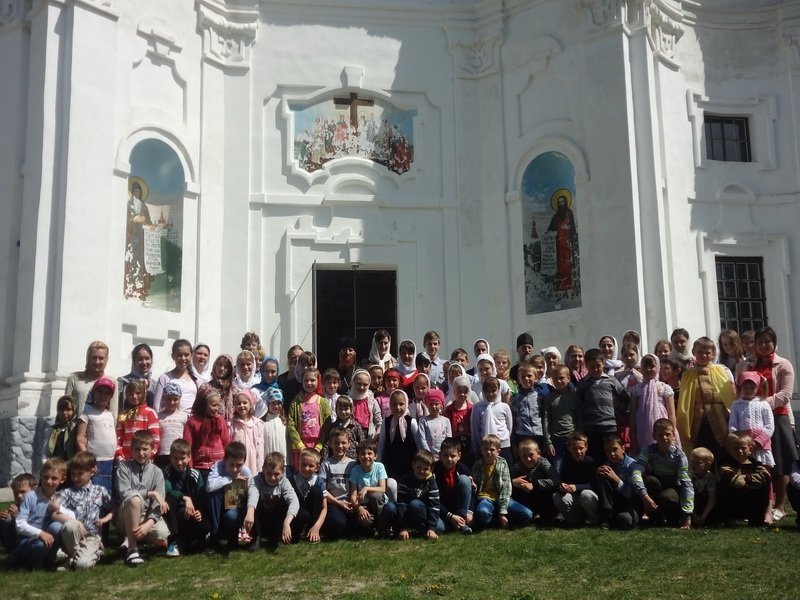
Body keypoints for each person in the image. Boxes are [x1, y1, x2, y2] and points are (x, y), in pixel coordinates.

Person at [745, 326, 797, 522]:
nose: (764, 345)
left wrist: (763, 403)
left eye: (768, 342)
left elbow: (785, 394)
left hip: (777, 416)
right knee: (760, 461)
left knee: (780, 462)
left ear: (774, 343)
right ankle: (764, 503)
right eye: (760, 342)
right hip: (754, 418)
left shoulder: (783, 364)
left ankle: (780, 505)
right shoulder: (751, 365)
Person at [49, 450, 113, 570]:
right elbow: (53, 513)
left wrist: (105, 519)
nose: (76, 477)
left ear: (92, 472)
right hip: (73, 537)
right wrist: (76, 522)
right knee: (70, 525)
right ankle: (73, 557)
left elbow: (114, 508)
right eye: (73, 474)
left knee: (82, 565)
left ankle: (85, 556)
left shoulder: (100, 491)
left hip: (91, 536)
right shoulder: (67, 493)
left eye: (80, 474)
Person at [115, 430, 170, 566]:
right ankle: (132, 549)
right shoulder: (124, 468)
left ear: (152, 449)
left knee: (162, 534)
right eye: (137, 449)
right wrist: (150, 493)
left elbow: (159, 502)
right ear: (131, 450)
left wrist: (148, 524)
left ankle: (132, 539)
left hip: (146, 516)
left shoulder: (157, 472)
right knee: (134, 499)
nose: (141, 453)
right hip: (126, 514)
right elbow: (125, 494)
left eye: (145, 449)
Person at [677, 337, 736, 458]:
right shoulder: (688, 375)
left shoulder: (722, 371)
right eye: (700, 352)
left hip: (720, 419)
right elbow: (685, 401)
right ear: (693, 352)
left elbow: (729, 396)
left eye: (707, 353)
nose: (704, 355)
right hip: (698, 421)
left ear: (713, 354)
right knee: (700, 451)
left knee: (721, 451)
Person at [631, 419, 693, 529]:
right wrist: (644, 496)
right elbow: (636, 472)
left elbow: (686, 484)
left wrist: (687, 515)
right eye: (660, 435)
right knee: (650, 481)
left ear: (674, 436)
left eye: (667, 434)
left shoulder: (680, 456)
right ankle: (650, 513)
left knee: (668, 497)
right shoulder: (648, 451)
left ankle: (667, 516)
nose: (664, 437)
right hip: (655, 486)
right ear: (654, 436)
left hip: (671, 488)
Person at [9, 458, 67, 570]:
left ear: (63, 479)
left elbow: (72, 517)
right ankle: (30, 563)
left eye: (54, 478)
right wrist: (40, 533)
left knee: (57, 526)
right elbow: (20, 524)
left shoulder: (60, 497)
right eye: (45, 477)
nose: (49, 481)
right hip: (27, 538)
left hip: (47, 536)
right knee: (40, 545)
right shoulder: (31, 496)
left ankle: (49, 560)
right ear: (41, 476)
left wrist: (59, 508)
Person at [576, 348, 629, 464]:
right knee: (594, 458)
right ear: (586, 366)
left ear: (603, 364)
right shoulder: (583, 383)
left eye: (598, 366)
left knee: (610, 456)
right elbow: (578, 404)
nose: (595, 369)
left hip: (609, 427)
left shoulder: (611, 380)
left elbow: (625, 398)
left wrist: (617, 413)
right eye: (591, 366)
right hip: (591, 428)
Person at [205, 441, 258, 553]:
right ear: (225, 460)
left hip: (234, 506)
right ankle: (215, 534)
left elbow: (252, 491)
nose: (235, 469)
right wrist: (231, 480)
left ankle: (232, 538)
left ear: (244, 462)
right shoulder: (218, 466)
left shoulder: (246, 472)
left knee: (232, 515)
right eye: (231, 464)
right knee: (213, 494)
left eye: (239, 465)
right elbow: (209, 486)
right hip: (217, 506)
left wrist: (250, 511)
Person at [472, 434, 530, 529]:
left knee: (527, 514)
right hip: (485, 498)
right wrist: (473, 485)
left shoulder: (503, 464)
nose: (488, 452)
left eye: (492, 449)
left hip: (502, 497)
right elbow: (475, 489)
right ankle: (494, 519)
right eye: (486, 449)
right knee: (482, 512)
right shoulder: (477, 465)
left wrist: (502, 512)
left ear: (498, 452)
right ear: (481, 450)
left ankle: (501, 515)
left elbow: (506, 488)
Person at [162, 439, 207, 556]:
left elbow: (201, 497)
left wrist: (199, 511)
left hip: (189, 512)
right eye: (175, 458)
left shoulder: (195, 474)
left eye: (183, 458)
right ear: (170, 458)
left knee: (203, 524)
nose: (179, 462)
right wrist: (185, 498)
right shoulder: (165, 472)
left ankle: (192, 541)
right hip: (172, 512)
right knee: (169, 499)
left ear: (189, 457)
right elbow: (167, 490)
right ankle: (174, 540)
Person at [385, 449, 441, 540]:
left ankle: (424, 531)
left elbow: (434, 506)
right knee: (389, 507)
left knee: (440, 528)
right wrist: (403, 527)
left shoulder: (431, 482)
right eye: (419, 467)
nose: (421, 471)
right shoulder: (405, 479)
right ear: (413, 465)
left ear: (431, 469)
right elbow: (402, 503)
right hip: (406, 513)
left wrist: (432, 528)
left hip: (422, 514)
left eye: (426, 469)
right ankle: (394, 530)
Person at [717, 433, 771, 526]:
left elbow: (766, 477)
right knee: (725, 485)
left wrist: (744, 478)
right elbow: (734, 480)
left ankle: (756, 518)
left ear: (750, 449)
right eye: (735, 448)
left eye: (743, 448)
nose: (740, 451)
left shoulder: (755, 463)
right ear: (729, 449)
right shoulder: (724, 463)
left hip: (750, 498)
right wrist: (752, 480)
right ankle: (729, 518)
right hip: (732, 499)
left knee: (763, 488)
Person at [629, 354, 678, 455]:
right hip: (642, 426)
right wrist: (633, 437)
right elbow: (633, 414)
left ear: (658, 367)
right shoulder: (636, 389)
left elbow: (672, 414)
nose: (648, 369)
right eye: (645, 366)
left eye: (652, 366)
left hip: (662, 425)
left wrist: (672, 433)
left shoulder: (664, 388)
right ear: (641, 368)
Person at [75, 377, 117, 493]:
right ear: (94, 393)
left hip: (110, 460)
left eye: (107, 393)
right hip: (95, 460)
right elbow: (79, 438)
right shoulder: (87, 413)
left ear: (110, 397)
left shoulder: (110, 415)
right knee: (94, 491)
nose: (103, 396)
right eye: (100, 392)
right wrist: (88, 460)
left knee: (107, 492)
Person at [252, 452, 300, 548]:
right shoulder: (256, 480)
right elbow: (252, 496)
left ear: (283, 472)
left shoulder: (284, 482)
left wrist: (286, 523)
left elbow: (294, 501)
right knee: (250, 501)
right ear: (263, 469)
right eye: (269, 473)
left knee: (285, 503)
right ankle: (256, 537)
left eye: (276, 474)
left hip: (276, 520)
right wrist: (250, 511)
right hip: (259, 520)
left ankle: (275, 537)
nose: (272, 478)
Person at [728, 371, 775, 468]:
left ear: (757, 388)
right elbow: (732, 425)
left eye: (752, 388)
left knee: (762, 469)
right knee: (745, 469)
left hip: (761, 447)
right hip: (743, 447)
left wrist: (758, 442)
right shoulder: (736, 405)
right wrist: (740, 441)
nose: (748, 390)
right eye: (745, 387)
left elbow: (769, 425)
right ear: (740, 387)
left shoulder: (763, 404)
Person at [183, 385, 230, 479]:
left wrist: (228, 463)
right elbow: (187, 447)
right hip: (200, 466)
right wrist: (190, 467)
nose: (216, 408)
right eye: (213, 405)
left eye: (218, 405)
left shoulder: (220, 420)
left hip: (219, 466)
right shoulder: (193, 422)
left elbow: (226, 443)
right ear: (204, 405)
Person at [541, 365, 581, 475]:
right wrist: (548, 442)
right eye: (555, 379)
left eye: (562, 378)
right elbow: (546, 420)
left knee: (573, 469)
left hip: (572, 438)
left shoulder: (574, 397)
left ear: (568, 378)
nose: (558, 381)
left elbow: (579, 418)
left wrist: (579, 437)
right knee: (556, 470)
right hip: (556, 440)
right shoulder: (549, 398)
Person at [552, 432, 598, 527]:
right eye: (574, 448)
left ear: (586, 447)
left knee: (586, 494)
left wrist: (576, 487)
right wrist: (562, 487)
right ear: (569, 448)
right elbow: (563, 481)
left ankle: (594, 519)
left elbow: (594, 484)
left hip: (588, 498)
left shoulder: (590, 462)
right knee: (556, 496)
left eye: (581, 448)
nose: (578, 451)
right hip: (575, 499)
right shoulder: (566, 463)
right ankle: (574, 520)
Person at [288, 367, 331, 466]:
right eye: (306, 380)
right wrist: (300, 445)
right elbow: (291, 424)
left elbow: (327, 425)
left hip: (318, 445)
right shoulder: (296, 402)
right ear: (302, 382)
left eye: (312, 380)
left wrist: (319, 445)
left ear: (318, 381)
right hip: (300, 445)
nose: (309, 383)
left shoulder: (323, 402)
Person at [377, 390, 425, 480]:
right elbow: (381, 443)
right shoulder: (386, 421)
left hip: (408, 465)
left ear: (406, 404)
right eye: (394, 404)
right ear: (390, 404)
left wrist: (420, 462)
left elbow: (418, 444)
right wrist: (378, 462)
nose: (397, 407)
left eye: (401, 404)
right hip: (391, 464)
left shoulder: (411, 422)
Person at [319, 427, 357, 540]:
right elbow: (322, 490)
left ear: (349, 444)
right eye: (336, 443)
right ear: (330, 444)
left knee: (359, 528)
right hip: (334, 503)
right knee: (338, 525)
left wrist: (353, 503)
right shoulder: (326, 464)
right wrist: (339, 503)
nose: (340, 446)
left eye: (343, 443)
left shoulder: (353, 464)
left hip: (350, 503)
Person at [594, 435, 638, 529]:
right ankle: (607, 517)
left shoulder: (632, 465)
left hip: (631, 502)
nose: (612, 454)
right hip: (615, 502)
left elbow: (632, 494)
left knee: (625, 520)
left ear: (623, 449)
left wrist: (616, 479)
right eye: (608, 451)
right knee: (602, 474)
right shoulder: (607, 465)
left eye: (615, 449)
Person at [349, 439, 390, 534]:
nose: (366, 456)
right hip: (364, 505)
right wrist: (360, 509)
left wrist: (366, 488)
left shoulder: (379, 467)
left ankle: (381, 525)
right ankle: (371, 528)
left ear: (375, 456)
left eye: (369, 453)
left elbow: (382, 489)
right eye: (362, 454)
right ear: (358, 456)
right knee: (365, 519)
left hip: (379, 504)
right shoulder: (355, 471)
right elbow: (353, 496)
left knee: (375, 495)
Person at [433, 437, 473, 533]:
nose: (449, 459)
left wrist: (470, 511)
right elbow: (433, 499)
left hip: (458, 507)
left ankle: (461, 521)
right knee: (438, 528)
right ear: (440, 455)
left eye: (453, 456)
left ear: (459, 456)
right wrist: (450, 516)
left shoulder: (463, 469)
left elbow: (472, 492)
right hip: (442, 510)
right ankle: (454, 524)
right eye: (445, 455)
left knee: (465, 479)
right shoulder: (434, 470)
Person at [510, 438, 556, 521]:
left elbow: (555, 480)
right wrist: (513, 482)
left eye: (531, 455)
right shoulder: (516, 467)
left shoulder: (543, 463)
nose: (528, 459)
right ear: (519, 455)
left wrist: (534, 485)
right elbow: (504, 482)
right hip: (526, 499)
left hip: (543, 497)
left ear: (538, 453)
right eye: (524, 456)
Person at [470, 376, 513, 463]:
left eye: (494, 390)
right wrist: (478, 446)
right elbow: (475, 429)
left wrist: (504, 439)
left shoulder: (504, 406)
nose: (490, 394)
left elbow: (509, 426)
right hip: (485, 446)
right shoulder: (478, 407)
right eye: (487, 391)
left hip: (503, 445)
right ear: (483, 391)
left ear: (499, 390)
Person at [115, 379, 160, 462]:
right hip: (126, 460)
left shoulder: (150, 413)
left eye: (138, 393)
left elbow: (155, 438)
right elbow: (118, 437)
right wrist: (120, 457)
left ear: (144, 394)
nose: (134, 396)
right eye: (131, 394)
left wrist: (149, 455)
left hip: (145, 460)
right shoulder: (123, 415)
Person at [289, 448, 328, 543]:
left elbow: (324, 508)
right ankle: (296, 532)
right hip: (297, 515)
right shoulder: (291, 479)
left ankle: (312, 531)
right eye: (303, 464)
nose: (306, 468)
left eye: (311, 466)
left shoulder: (318, 481)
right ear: (298, 463)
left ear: (317, 468)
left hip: (313, 515)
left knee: (316, 491)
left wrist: (317, 527)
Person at [153, 339, 198, 414]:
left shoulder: (195, 379)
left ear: (191, 355)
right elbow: (156, 407)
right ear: (173, 356)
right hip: (170, 420)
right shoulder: (164, 378)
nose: (183, 358)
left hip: (190, 420)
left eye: (186, 355)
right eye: (179, 355)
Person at [65, 341, 109, 416]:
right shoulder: (74, 378)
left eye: (101, 358)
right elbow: (65, 408)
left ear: (106, 360)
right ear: (88, 358)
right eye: (94, 358)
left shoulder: (111, 382)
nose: (97, 362)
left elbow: (113, 414)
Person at [510, 361, 547, 452]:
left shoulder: (540, 397)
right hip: (521, 435)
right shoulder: (515, 399)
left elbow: (544, 418)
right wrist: (513, 441)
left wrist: (546, 439)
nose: (526, 379)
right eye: (523, 377)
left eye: (529, 376)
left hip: (538, 435)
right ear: (518, 380)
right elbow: (513, 420)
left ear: (536, 378)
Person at [229, 388, 266, 476]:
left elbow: (260, 447)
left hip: (252, 461)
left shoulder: (257, 424)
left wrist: (260, 467)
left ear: (251, 404)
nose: (241, 405)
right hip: (236, 460)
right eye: (238, 403)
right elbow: (228, 443)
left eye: (244, 403)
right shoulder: (231, 423)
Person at [547, 189, 578, 292]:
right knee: (559, 264)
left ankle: (569, 285)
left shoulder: (569, 213)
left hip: (568, 243)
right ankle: (560, 285)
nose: (561, 204)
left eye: (563, 202)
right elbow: (550, 229)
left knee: (568, 264)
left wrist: (573, 238)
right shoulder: (555, 216)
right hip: (558, 245)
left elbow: (573, 228)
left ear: (566, 202)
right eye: (559, 202)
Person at [320, 395, 365, 460]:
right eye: (340, 409)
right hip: (335, 460)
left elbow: (362, 444)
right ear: (336, 410)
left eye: (346, 409)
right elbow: (326, 445)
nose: (343, 412)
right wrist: (324, 460)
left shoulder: (355, 426)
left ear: (351, 409)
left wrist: (360, 460)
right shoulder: (333, 426)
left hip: (352, 460)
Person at [1, 473, 36, 554]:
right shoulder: (18, 506)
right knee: (7, 519)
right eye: (16, 493)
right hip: (17, 540)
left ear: (34, 490)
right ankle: (11, 549)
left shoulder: (38, 504)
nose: (19, 495)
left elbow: (35, 524)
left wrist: (17, 516)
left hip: (35, 540)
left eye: (23, 492)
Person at [156, 381, 188, 468]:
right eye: (169, 399)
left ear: (180, 399)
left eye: (175, 399)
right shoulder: (158, 416)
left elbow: (187, 436)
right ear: (163, 398)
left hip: (179, 455)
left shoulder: (184, 416)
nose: (172, 402)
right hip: (162, 454)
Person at [443, 375, 474, 465]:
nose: (462, 394)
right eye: (459, 391)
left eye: (465, 392)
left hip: (469, 443)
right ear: (454, 391)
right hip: (454, 443)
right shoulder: (449, 409)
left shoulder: (472, 408)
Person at [117, 343, 156, 411]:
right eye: (140, 359)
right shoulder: (122, 382)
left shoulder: (155, 385)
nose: (144, 362)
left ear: (151, 360)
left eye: (147, 358)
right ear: (134, 361)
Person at [42, 395, 78, 461]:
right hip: (54, 465)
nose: (64, 413)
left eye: (68, 410)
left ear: (74, 410)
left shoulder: (76, 429)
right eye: (61, 410)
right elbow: (45, 452)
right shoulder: (52, 430)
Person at [418, 389, 452, 458]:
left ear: (441, 405)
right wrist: (429, 455)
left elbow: (448, 439)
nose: (434, 407)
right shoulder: (423, 421)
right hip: (429, 457)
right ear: (427, 405)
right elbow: (422, 439)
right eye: (431, 404)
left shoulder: (446, 421)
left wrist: (444, 454)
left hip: (443, 457)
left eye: (436, 404)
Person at [350, 368, 382, 438]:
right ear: (353, 381)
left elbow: (379, 420)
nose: (361, 387)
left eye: (365, 385)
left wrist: (377, 434)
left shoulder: (371, 400)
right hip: (352, 435)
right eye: (359, 383)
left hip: (368, 435)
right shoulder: (348, 399)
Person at [689, 447, 716, 527]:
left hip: (705, 506)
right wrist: (692, 514)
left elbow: (712, 497)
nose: (694, 465)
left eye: (698, 463)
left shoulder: (710, 477)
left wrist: (703, 516)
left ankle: (705, 518)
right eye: (692, 462)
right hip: (690, 504)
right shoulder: (689, 476)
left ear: (708, 465)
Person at [208, 354, 235, 421]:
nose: (222, 368)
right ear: (215, 366)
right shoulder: (206, 387)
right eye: (220, 365)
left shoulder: (233, 388)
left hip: (229, 423)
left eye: (226, 366)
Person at [263, 388, 288, 458]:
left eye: (279, 403)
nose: (276, 406)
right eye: (273, 403)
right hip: (269, 459)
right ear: (268, 404)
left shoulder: (284, 422)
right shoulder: (263, 423)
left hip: (283, 459)